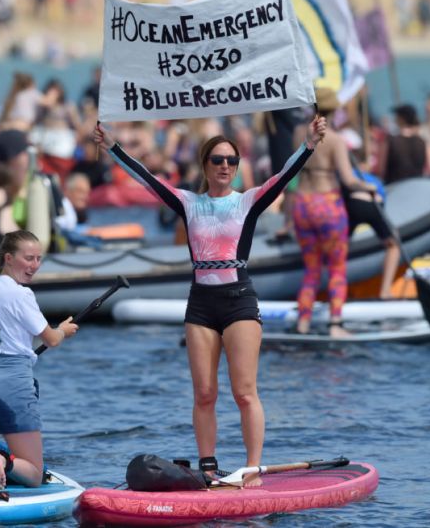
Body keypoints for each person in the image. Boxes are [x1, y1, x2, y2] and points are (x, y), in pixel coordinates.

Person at [93, 115, 327, 485]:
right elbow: (146, 178)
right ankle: (209, 468)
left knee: (244, 392)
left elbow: (284, 175)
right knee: (204, 393)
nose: (225, 166)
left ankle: (252, 469)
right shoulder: (187, 202)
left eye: (232, 161)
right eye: (217, 160)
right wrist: (111, 147)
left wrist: (309, 143)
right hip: (201, 302)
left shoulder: (249, 200)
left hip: (239, 301)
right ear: (205, 164)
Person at [0, 230, 79, 489]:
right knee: (33, 474)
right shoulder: (21, 294)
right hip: (12, 381)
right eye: (28, 258)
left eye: (39, 259)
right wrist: (63, 330)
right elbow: (51, 339)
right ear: (8, 258)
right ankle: (4, 461)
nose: (35, 266)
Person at [293, 87, 378, 336]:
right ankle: (335, 324)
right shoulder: (336, 140)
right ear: (335, 110)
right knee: (337, 267)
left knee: (311, 269)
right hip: (328, 205)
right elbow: (349, 180)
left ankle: (303, 323)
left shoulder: (299, 133)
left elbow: (294, 173)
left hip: (302, 204)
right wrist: (369, 187)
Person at [343, 154, 401, 300]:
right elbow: (383, 204)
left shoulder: (345, 175)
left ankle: (341, 291)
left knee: (341, 249)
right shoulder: (374, 180)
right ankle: (385, 291)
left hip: (353, 203)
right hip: (375, 205)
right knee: (393, 245)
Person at [378, 103, 430, 184]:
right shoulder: (424, 143)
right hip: (416, 187)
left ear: (401, 119)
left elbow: (381, 170)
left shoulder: (390, 141)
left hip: (394, 187)